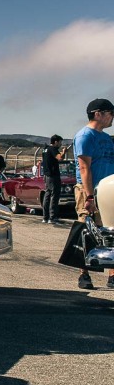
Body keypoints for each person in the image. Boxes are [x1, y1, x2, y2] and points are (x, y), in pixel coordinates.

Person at [73, 98, 114, 290]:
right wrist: (89, 197)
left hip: (108, 190)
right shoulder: (85, 136)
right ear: (98, 114)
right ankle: (84, 274)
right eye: (110, 113)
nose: (112, 117)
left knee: (111, 231)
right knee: (87, 231)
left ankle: (112, 274)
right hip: (88, 189)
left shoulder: (106, 138)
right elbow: (84, 167)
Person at [41, 134, 64, 224]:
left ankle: (45, 217)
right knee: (54, 196)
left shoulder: (45, 149)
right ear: (56, 142)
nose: (61, 144)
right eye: (60, 142)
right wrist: (64, 152)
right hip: (53, 175)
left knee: (47, 195)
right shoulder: (53, 149)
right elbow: (60, 158)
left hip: (46, 175)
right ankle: (52, 217)